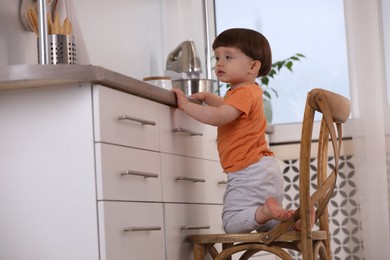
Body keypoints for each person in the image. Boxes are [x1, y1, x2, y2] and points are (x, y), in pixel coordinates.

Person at [171, 28, 294, 234]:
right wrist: (211, 98)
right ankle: (292, 223)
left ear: (254, 66)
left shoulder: (243, 93)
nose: (220, 63)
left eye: (228, 57)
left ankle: (265, 211)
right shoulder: (248, 91)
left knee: (232, 224)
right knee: (266, 223)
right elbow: (230, 109)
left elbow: (220, 117)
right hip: (265, 169)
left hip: (248, 170)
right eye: (217, 57)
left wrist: (186, 105)